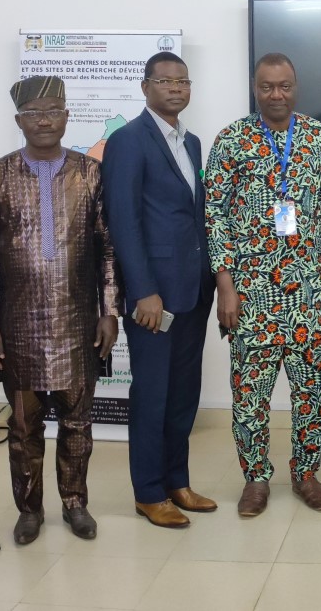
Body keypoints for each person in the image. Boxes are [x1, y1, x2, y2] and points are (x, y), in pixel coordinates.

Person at [0, 75, 122, 544]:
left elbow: (107, 249)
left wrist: (109, 310)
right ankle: (30, 510)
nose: (44, 120)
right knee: (23, 427)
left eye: (53, 111)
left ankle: (75, 504)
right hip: (17, 328)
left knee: (78, 424)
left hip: (78, 324)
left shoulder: (89, 172)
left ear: (66, 116)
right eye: (34, 113)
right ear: (19, 121)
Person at [205, 52, 321, 516]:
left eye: (284, 86)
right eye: (267, 87)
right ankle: (256, 479)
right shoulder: (230, 141)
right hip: (250, 294)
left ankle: (305, 473)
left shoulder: (320, 138)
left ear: (296, 86)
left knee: (316, 392)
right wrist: (225, 285)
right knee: (250, 395)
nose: (276, 95)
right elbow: (215, 216)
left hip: (308, 291)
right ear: (254, 87)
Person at [103, 53, 217, 528]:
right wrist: (143, 291)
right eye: (165, 81)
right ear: (145, 86)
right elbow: (123, 222)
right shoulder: (128, 141)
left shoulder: (190, 142)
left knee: (184, 393)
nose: (175, 88)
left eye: (182, 81)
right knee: (152, 393)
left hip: (194, 289)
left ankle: (177, 481)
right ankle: (148, 492)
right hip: (155, 297)